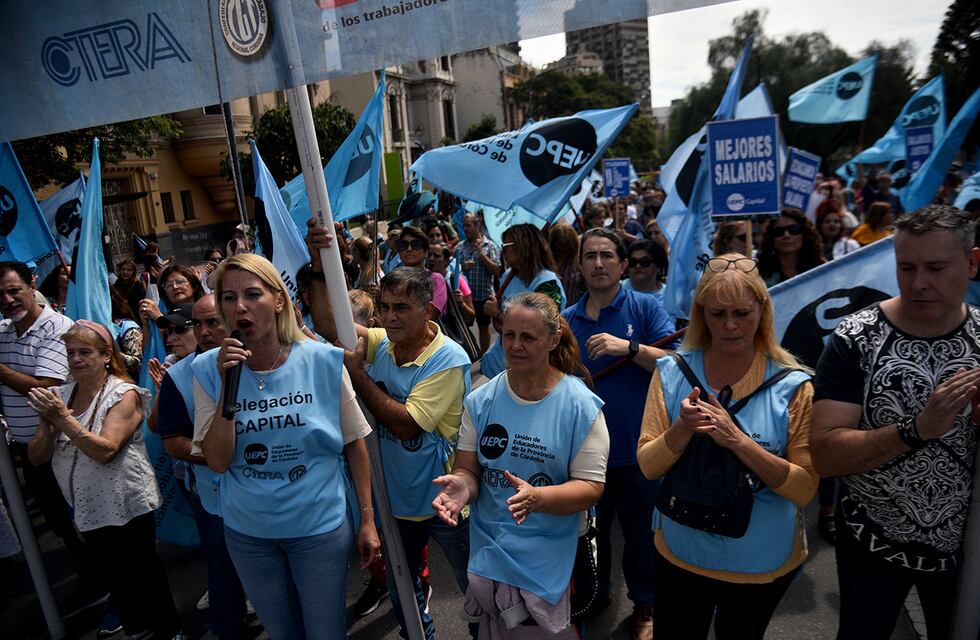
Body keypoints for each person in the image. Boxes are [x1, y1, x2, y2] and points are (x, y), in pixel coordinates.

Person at [811, 205, 980, 640]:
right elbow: (826, 454)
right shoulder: (856, 337)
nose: (919, 283)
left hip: (967, 552)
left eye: (936, 268)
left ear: (973, 263)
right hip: (872, 542)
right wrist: (918, 428)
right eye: (907, 267)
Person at [192, 253, 379, 640]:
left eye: (252, 294)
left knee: (325, 631)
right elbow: (218, 460)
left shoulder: (324, 361)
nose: (239, 306)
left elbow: (355, 446)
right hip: (249, 534)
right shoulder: (208, 369)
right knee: (282, 633)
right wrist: (229, 383)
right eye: (228, 297)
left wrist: (367, 520)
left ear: (278, 300)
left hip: (319, 529)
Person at [307, 220, 473, 640]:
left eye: (403, 308)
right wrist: (319, 261)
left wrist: (357, 375)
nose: (390, 318)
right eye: (386, 307)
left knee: (477, 590)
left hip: (445, 504)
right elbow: (330, 326)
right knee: (405, 594)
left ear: (428, 311)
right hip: (394, 504)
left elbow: (404, 424)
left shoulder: (448, 358)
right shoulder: (383, 340)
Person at [637, 254, 816, 639]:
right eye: (717, 314)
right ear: (702, 314)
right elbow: (648, 466)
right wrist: (682, 429)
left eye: (742, 313)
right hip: (680, 555)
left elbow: (804, 489)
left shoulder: (794, 385)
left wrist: (737, 441)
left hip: (760, 564)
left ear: (762, 311)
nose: (730, 326)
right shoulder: (672, 372)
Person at [432, 292, 609, 638]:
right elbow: (469, 469)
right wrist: (461, 488)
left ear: (553, 339)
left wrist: (538, 499)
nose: (514, 346)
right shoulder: (481, 399)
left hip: (554, 560)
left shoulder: (581, 405)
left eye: (528, 337)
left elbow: (591, 488)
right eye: (508, 335)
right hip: (492, 553)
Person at [26, 320, 185, 639]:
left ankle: (169, 631)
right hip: (86, 502)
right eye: (71, 353)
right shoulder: (64, 393)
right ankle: (138, 628)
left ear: (105, 356)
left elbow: (106, 450)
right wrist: (46, 429)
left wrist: (63, 420)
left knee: (142, 571)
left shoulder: (123, 394)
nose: (76, 359)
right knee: (113, 575)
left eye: (85, 352)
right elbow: (36, 457)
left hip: (125, 500)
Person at [562, 229, 677, 640]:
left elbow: (676, 363)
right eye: (590, 256)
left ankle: (645, 605)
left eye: (607, 255)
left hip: (639, 451)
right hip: (584, 457)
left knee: (642, 537)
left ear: (623, 264)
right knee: (591, 538)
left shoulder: (645, 307)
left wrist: (628, 348)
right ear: (579, 265)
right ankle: (597, 596)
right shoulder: (567, 318)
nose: (598, 263)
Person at [0, 262, 108, 617]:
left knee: (84, 522)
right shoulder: (3, 332)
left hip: (63, 447)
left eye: (14, 290)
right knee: (62, 526)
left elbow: (46, 390)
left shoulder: (58, 329)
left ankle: (111, 591)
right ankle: (93, 583)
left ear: (32, 285)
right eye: (0, 294)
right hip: (28, 450)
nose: (8, 299)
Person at [156, 297, 250, 640]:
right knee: (223, 572)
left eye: (213, 322)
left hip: (267, 494)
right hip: (214, 499)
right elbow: (172, 441)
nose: (205, 332)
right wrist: (216, 455)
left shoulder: (262, 362)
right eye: (198, 325)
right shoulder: (180, 377)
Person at [454, 212, 502, 354]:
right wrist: (463, 267)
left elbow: (496, 270)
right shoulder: (460, 247)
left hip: (484, 296)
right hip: (465, 297)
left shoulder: (490, 246)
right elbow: (452, 269)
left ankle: (483, 355)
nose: (465, 229)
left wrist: (482, 255)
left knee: (483, 327)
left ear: (477, 225)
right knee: (463, 327)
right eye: (464, 226)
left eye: (468, 225)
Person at [757, 209, 825, 286]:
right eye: (779, 231)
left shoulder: (821, 267)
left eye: (794, 229)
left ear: (805, 234)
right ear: (771, 237)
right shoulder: (760, 272)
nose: (786, 235)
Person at [395, 225, 449, 317]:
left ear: (426, 252)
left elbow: (431, 314)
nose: (409, 249)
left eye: (415, 245)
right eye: (404, 245)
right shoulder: (393, 280)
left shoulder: (436, 280)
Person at [549, 223, 585, 307]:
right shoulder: (546, 266)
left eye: (566, 249)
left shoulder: (580, 267)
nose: (563, 252)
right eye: (559, 247)